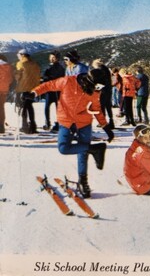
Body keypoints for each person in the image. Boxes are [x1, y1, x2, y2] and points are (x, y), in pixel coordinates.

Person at [32, 69, 115, 198]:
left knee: (82, 152)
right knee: (63, 148)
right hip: (66, 121)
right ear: (89, 81)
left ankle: (83, 181)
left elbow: (96, 109)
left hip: (84, 122)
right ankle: (95, 149)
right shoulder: (68, 81)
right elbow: (49, 85)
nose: (99, 89)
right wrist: (34, 93)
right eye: (98, 86)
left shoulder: (94, 91)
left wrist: (106, 128)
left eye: (101, 87)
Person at [15, 49, 41, 134]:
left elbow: (18, 77)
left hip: (23, 88)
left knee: (23, 108)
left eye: (18, 54)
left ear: (22, 55)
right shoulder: (35, 64)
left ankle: (25, 126)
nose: (17, 56)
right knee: (29, 107)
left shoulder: (20, 64)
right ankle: (33, 126)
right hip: (33, 89)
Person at [42, 50, 65, 132]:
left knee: (49, 107)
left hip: (54, 90)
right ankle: (55, 123)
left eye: (53, 57)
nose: (51, 59)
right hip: (55, 90)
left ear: (57, 59)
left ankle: (51, 123)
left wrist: (45, 78)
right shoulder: (60, 67)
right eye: (50, 57)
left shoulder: (56, 67)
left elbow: (53, 78)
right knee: (54, 107)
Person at [92, 59, 115, 129]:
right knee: (108, 106)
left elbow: (99, 81)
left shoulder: (99, 70)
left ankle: (103, 122)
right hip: (108, 89)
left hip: (102, 90)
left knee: (102, 106)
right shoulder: (106, 69)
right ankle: (111, 121)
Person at [0, 54, 13, 133]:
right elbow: (11, 79)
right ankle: (1, 126)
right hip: (5, 90)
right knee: (1, 107)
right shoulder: (9, 67)